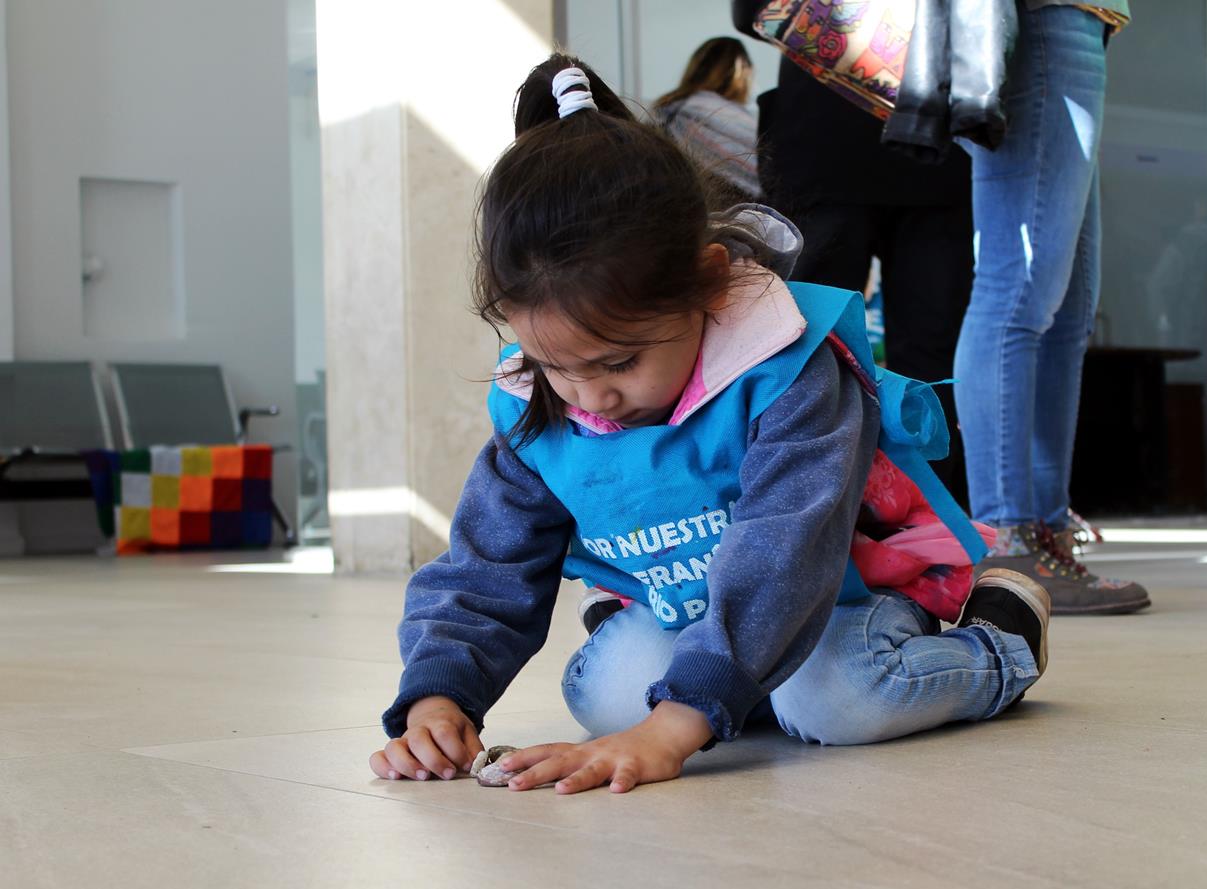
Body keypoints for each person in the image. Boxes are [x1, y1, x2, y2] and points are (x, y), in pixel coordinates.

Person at [370, 54, 1051, 796]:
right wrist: (439, 695)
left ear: (710, 281)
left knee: (836, 699)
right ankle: (706, 671)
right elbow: (488, 564)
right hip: (689, 605)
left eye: (620, 361)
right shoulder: (541, 398)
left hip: (836, 595)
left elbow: (784, 553)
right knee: (605, 699)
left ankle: (1003, 637)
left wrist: (673, 728)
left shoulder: (785, 369)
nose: (592, 395)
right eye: (557, 365)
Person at [951, 2, 1151, 614]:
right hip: (1046, 18)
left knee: (1066, 313)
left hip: (1080, 20)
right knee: (1017, 292)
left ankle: (1044, 531)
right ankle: (1007, 541)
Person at [753, 54, 974, 507]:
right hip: (925, 131)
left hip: (832, 129)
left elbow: (754, 18)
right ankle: (925, 518)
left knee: (812, 349)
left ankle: (806, 509)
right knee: (922, 354)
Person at [652, 37, 762, 200]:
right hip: (735, 210)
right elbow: (764, 175)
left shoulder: (668, 114)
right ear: (741, 74)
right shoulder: (738, 121)